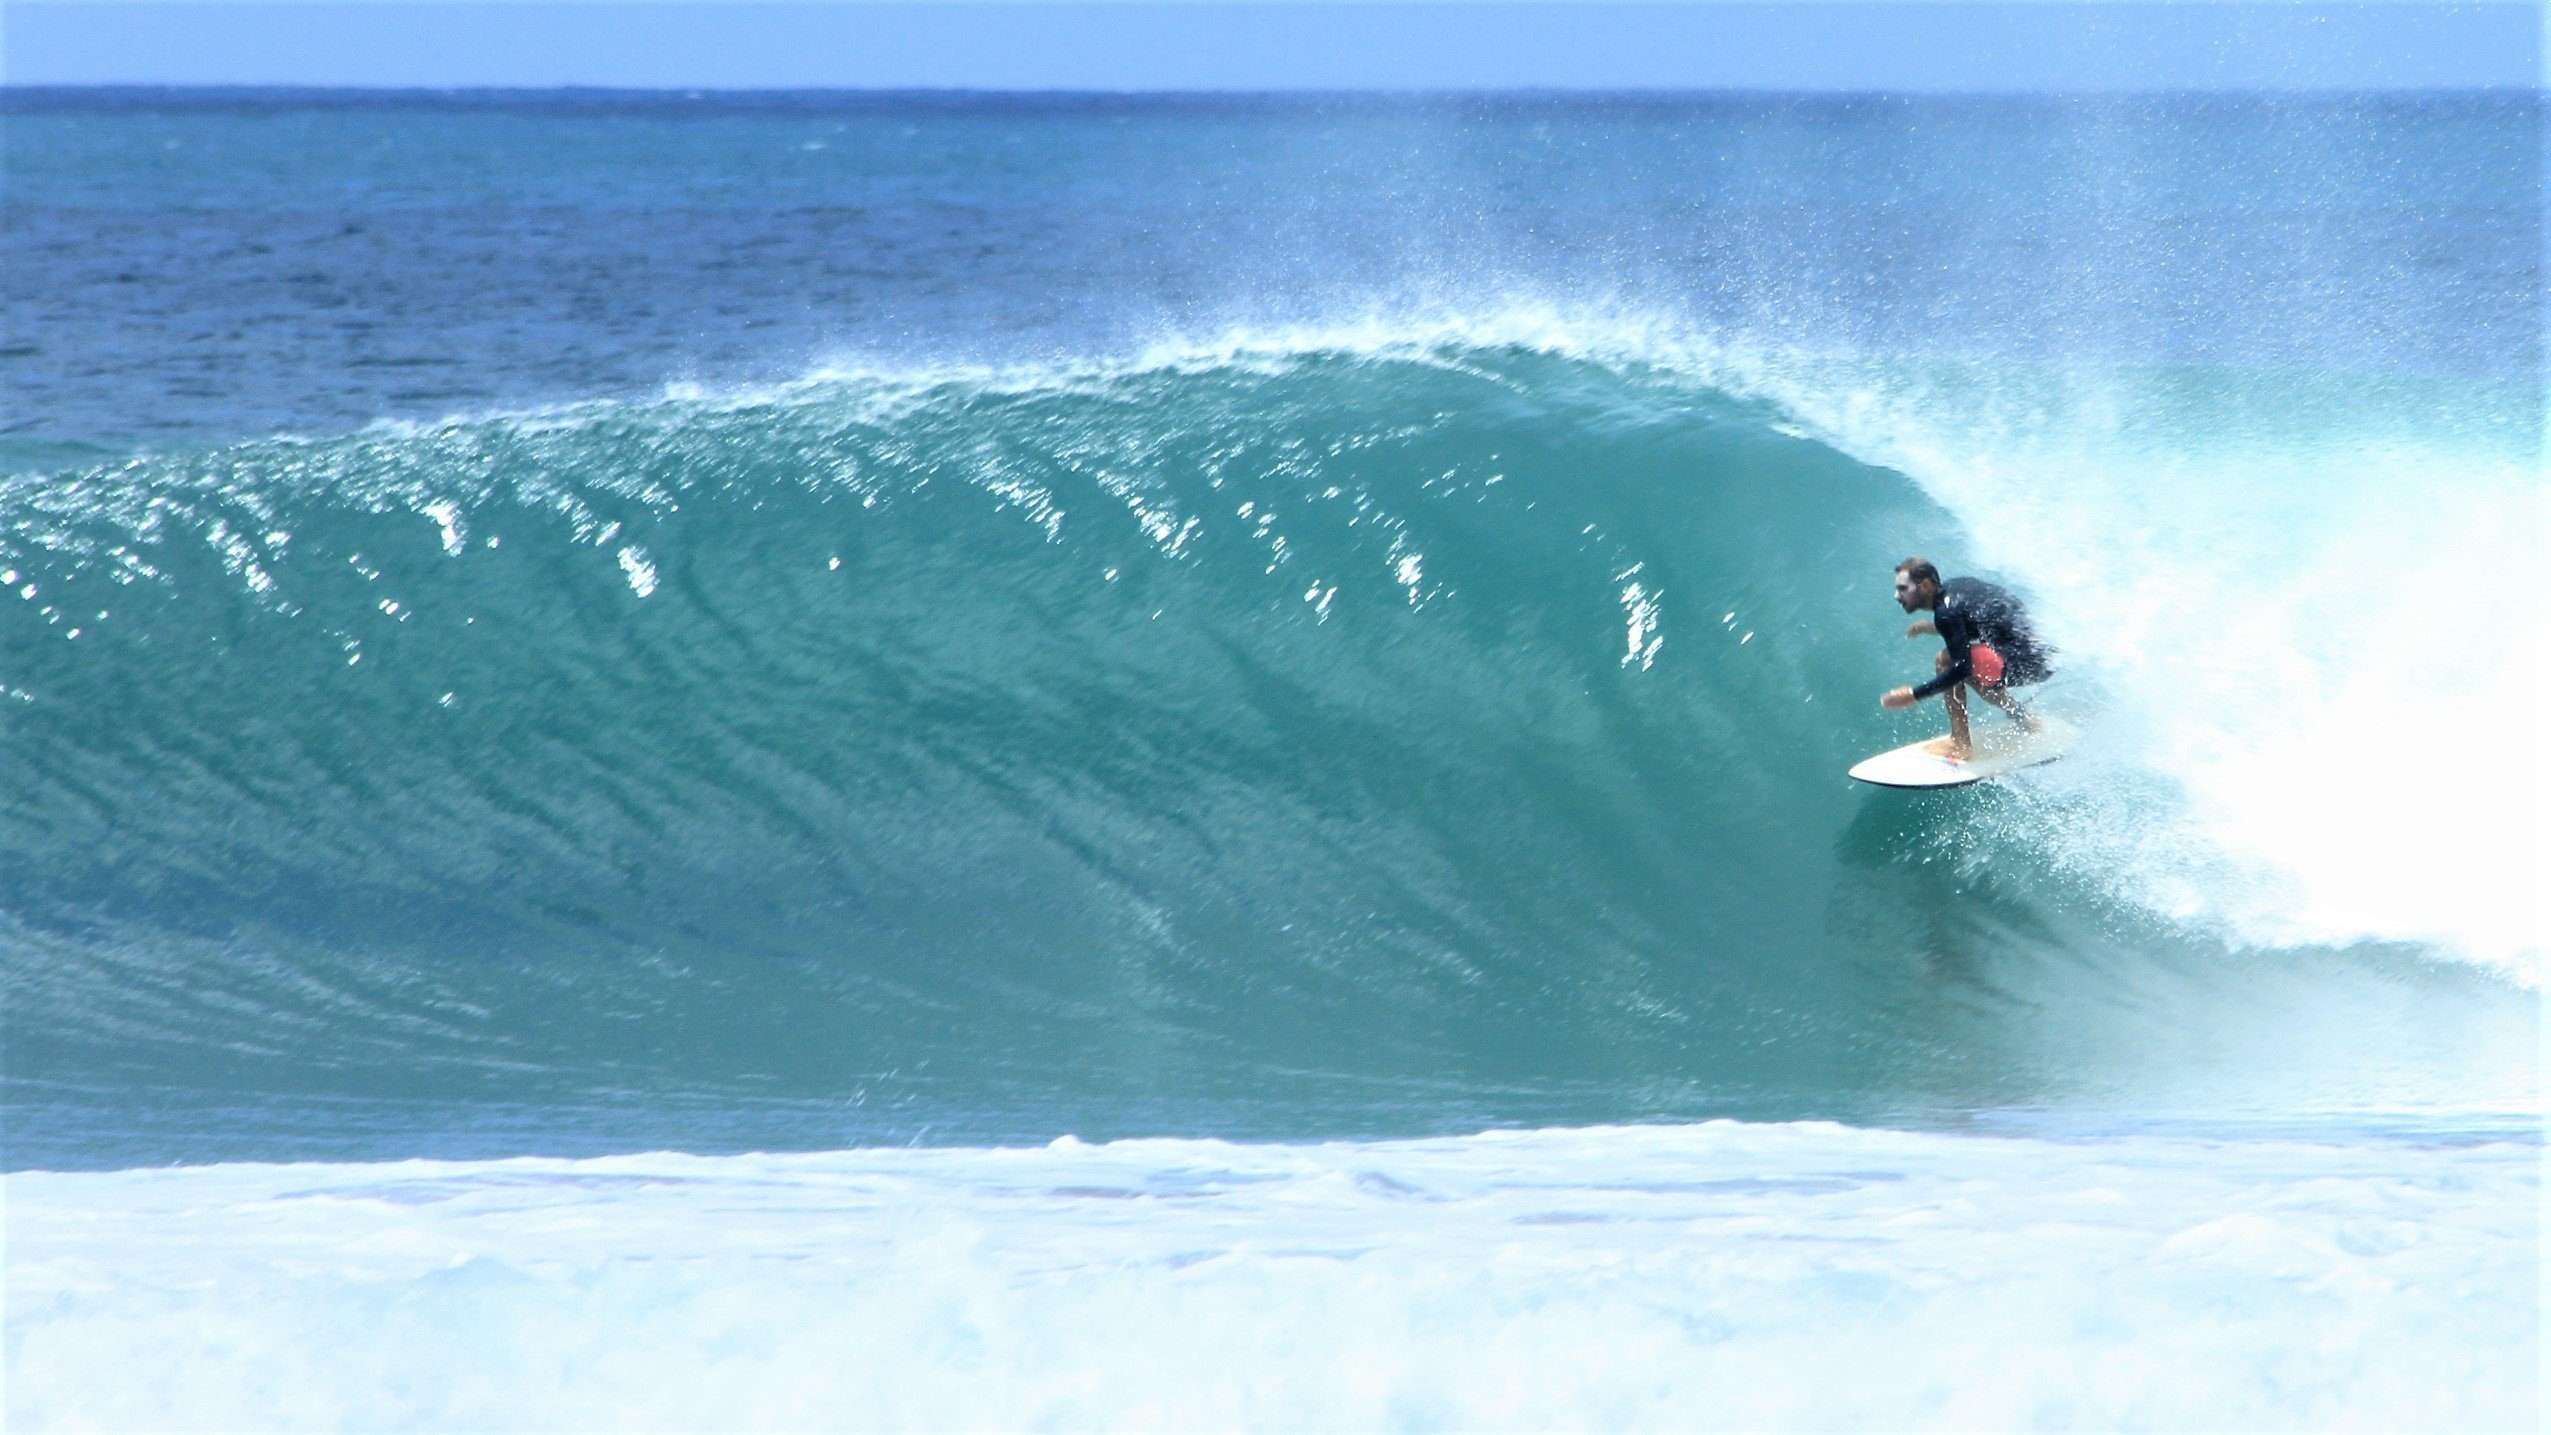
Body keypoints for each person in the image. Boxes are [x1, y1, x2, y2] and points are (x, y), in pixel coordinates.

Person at [1879, 557, 2051, 761]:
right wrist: (1930, 627)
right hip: (2041, 654)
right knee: (1975, 673)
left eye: (1902, 589)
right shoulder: (1958, 586)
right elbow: (1977, 620)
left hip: (2026, 665)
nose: (1897, 596)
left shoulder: (1946, 613)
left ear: (1925, 585)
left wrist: (1914, 695)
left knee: (1947, 661)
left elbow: (1961, 667)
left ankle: (1961, 744)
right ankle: (2024, 718)